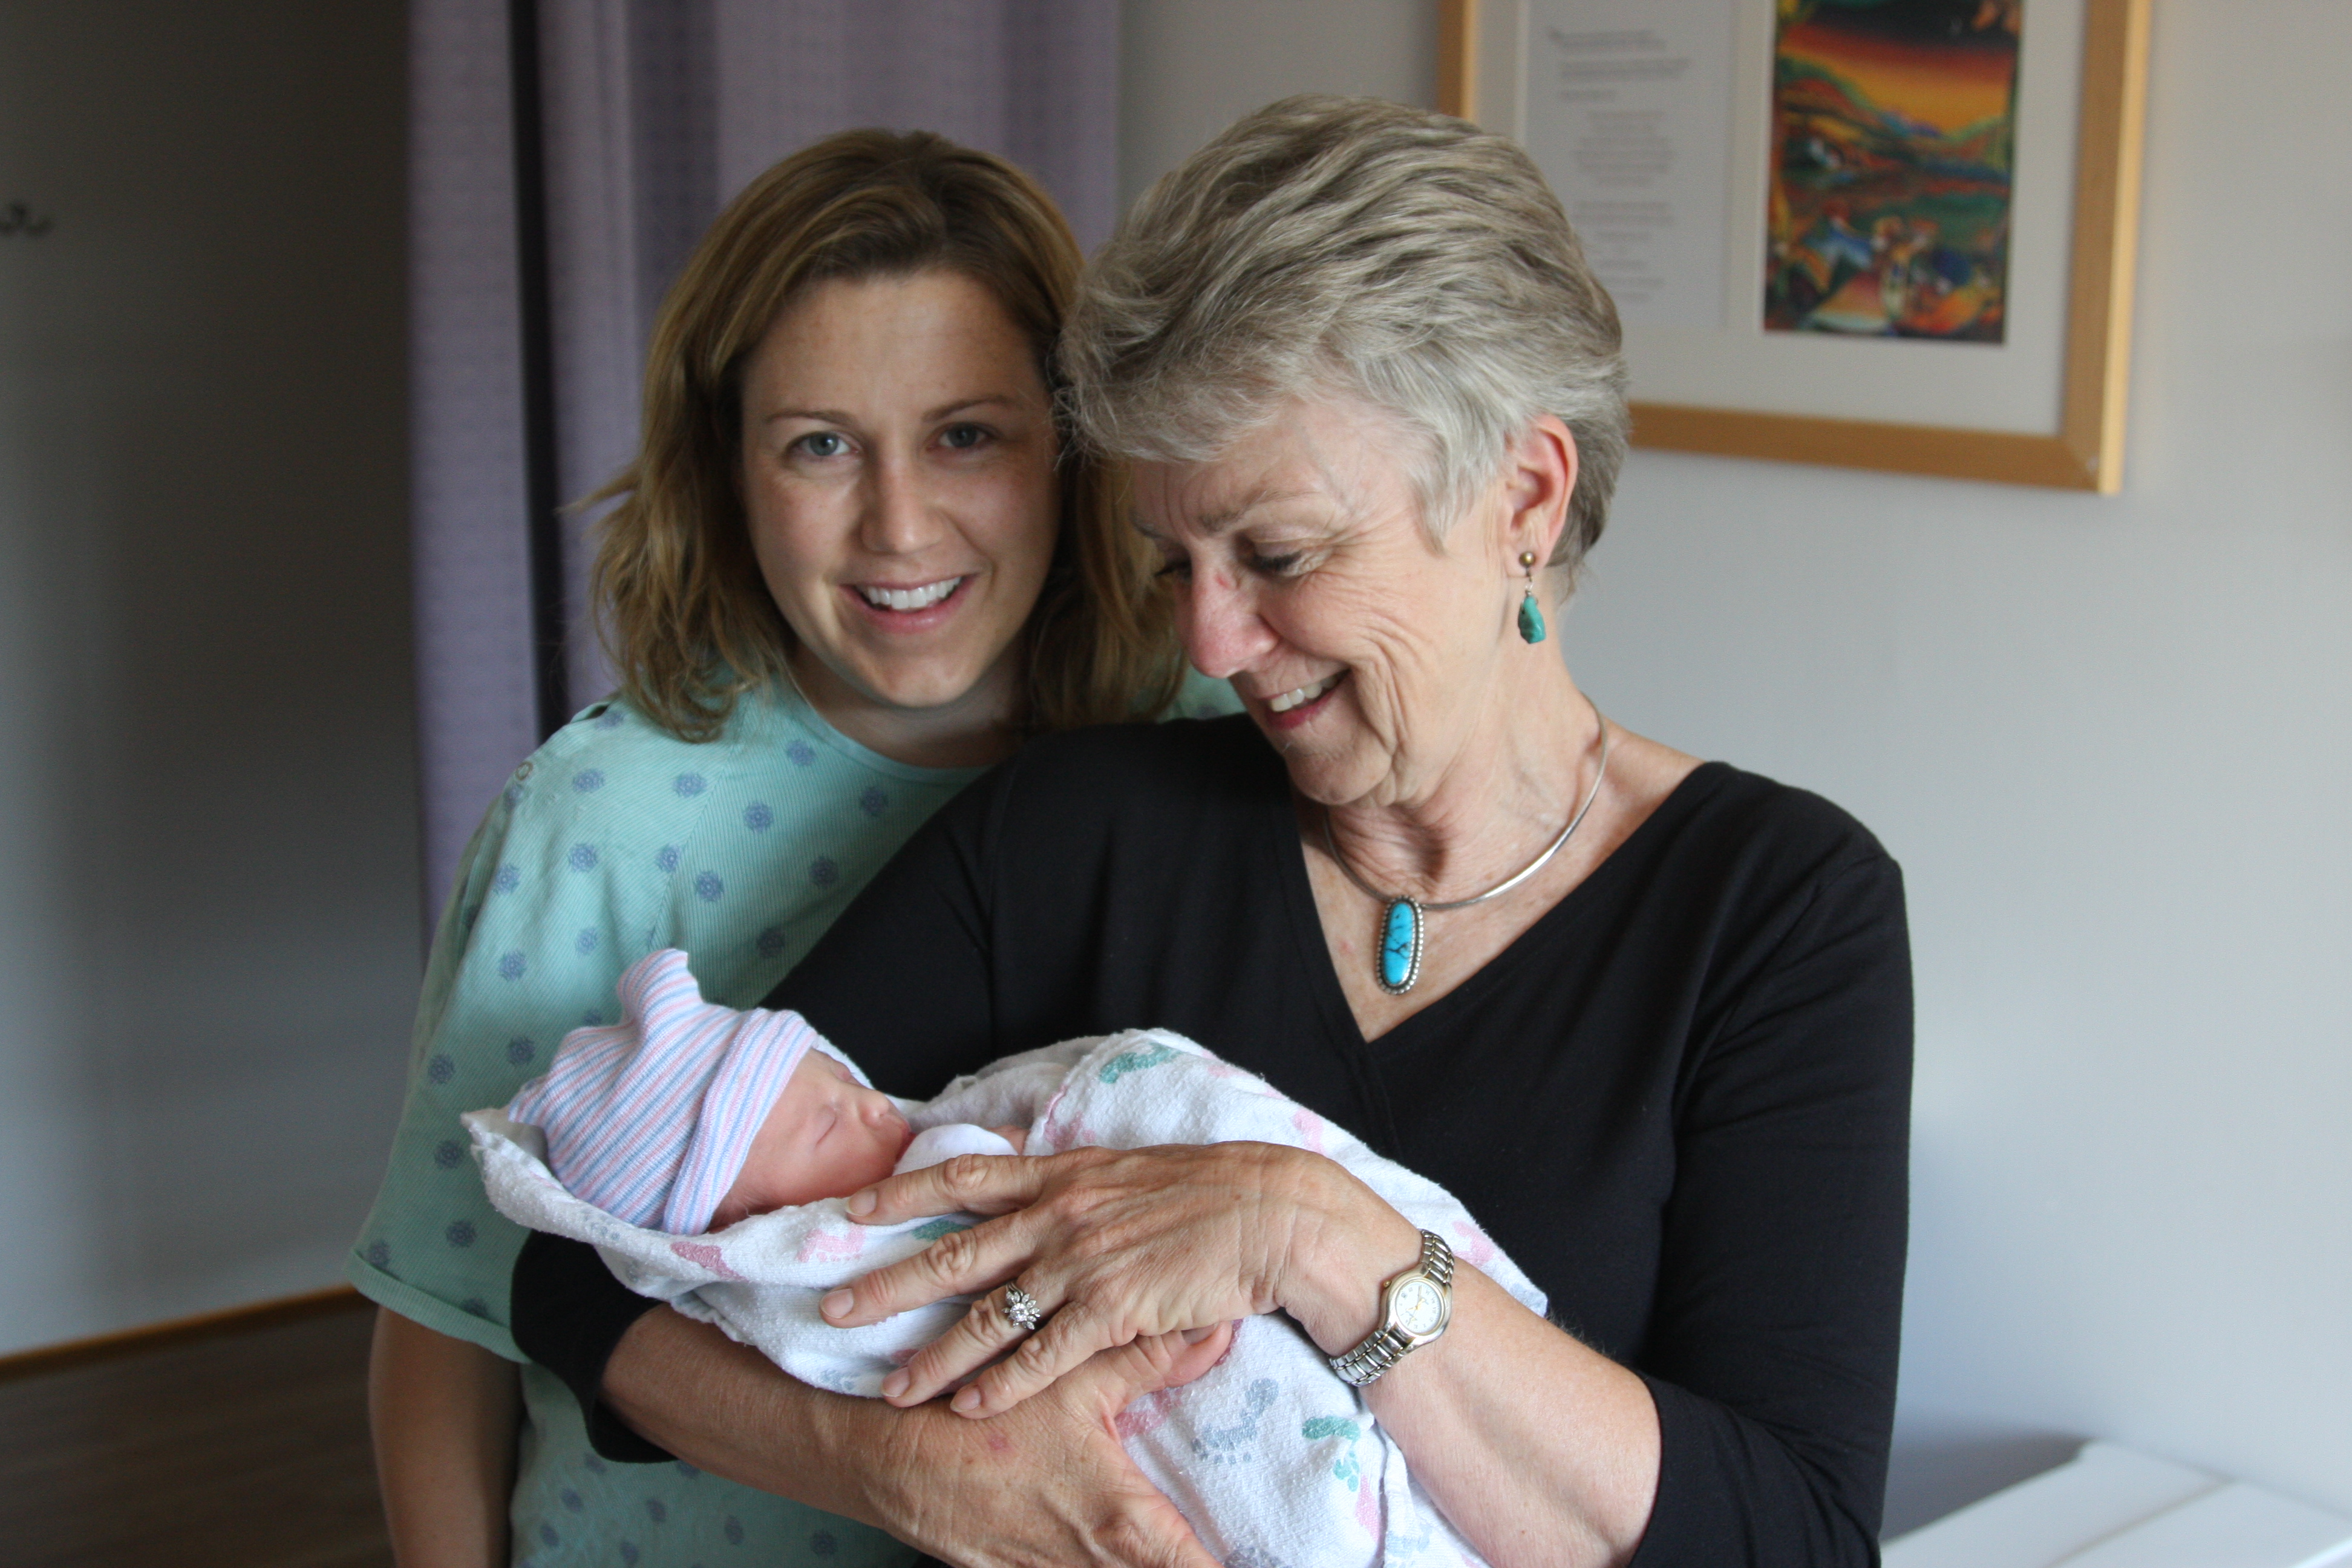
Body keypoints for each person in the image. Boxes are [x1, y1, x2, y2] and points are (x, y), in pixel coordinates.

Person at [512, 95, 1912, 1568]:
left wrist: (1314, 1237)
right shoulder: (1073, 839)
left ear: (1525, 498)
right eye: (1172, 561)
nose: (1212, 640)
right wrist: (910, 1475)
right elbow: (585, 1274)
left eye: (1279, 553)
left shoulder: (1778, 911)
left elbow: (1793, 1542)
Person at [350, 128, 1233, 1568]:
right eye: (820, 445)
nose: (900, 526)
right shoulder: (601, 813)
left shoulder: (1207, 750)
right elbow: (452, 1313)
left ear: (1075, 447)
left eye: (967, 435)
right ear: (728, 468)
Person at [473, 949, 1549, 1566]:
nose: (870, 1104)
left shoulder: (951, 1131)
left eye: (836, 1076)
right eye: (823, 1125)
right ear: (739, 1226)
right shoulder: (814, 1279)